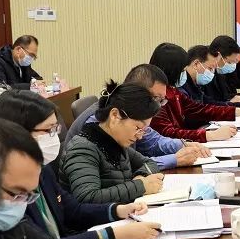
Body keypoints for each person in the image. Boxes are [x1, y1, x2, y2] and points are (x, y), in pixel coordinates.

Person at [0, 91, 158, 239]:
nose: (55, 137)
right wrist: (116, 235)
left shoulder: (42, 169)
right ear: (17, 132)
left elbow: (73, 211)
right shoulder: (5, 190)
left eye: (56, 129)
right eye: (49, 130)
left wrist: (118, 210)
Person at [66, 64, 212, 171]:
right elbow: (122, 168)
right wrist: (174, 160)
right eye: (157, 99)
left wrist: (183, 145)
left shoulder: (132, 114)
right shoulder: (102, 120)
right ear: (137, 92)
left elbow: (153, 142)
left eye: (162, 100)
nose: (159, 106)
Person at [60, 81, 165, 204]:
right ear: (115, 115)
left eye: (144, 130)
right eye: (138, 128)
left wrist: (140, 177)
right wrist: (140, 186)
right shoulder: (82, 149)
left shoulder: (114, 141)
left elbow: (149, 163)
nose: (140, 136)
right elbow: (87, 197)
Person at [148, 42, 240, 143]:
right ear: (171, 70)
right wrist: (211, 135)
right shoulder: (155, 95)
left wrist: (236, 111)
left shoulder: (173, 90)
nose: (184, 73)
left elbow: (198, 109)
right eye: (182, 70)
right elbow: (167, 133)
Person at [206, 35, 240, 103]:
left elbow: (224, 97)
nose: (232, 66)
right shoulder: (205, 72)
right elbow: (206, 102)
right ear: (219, 56)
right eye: (229, 62)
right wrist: (230, 103)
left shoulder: (218, 71)